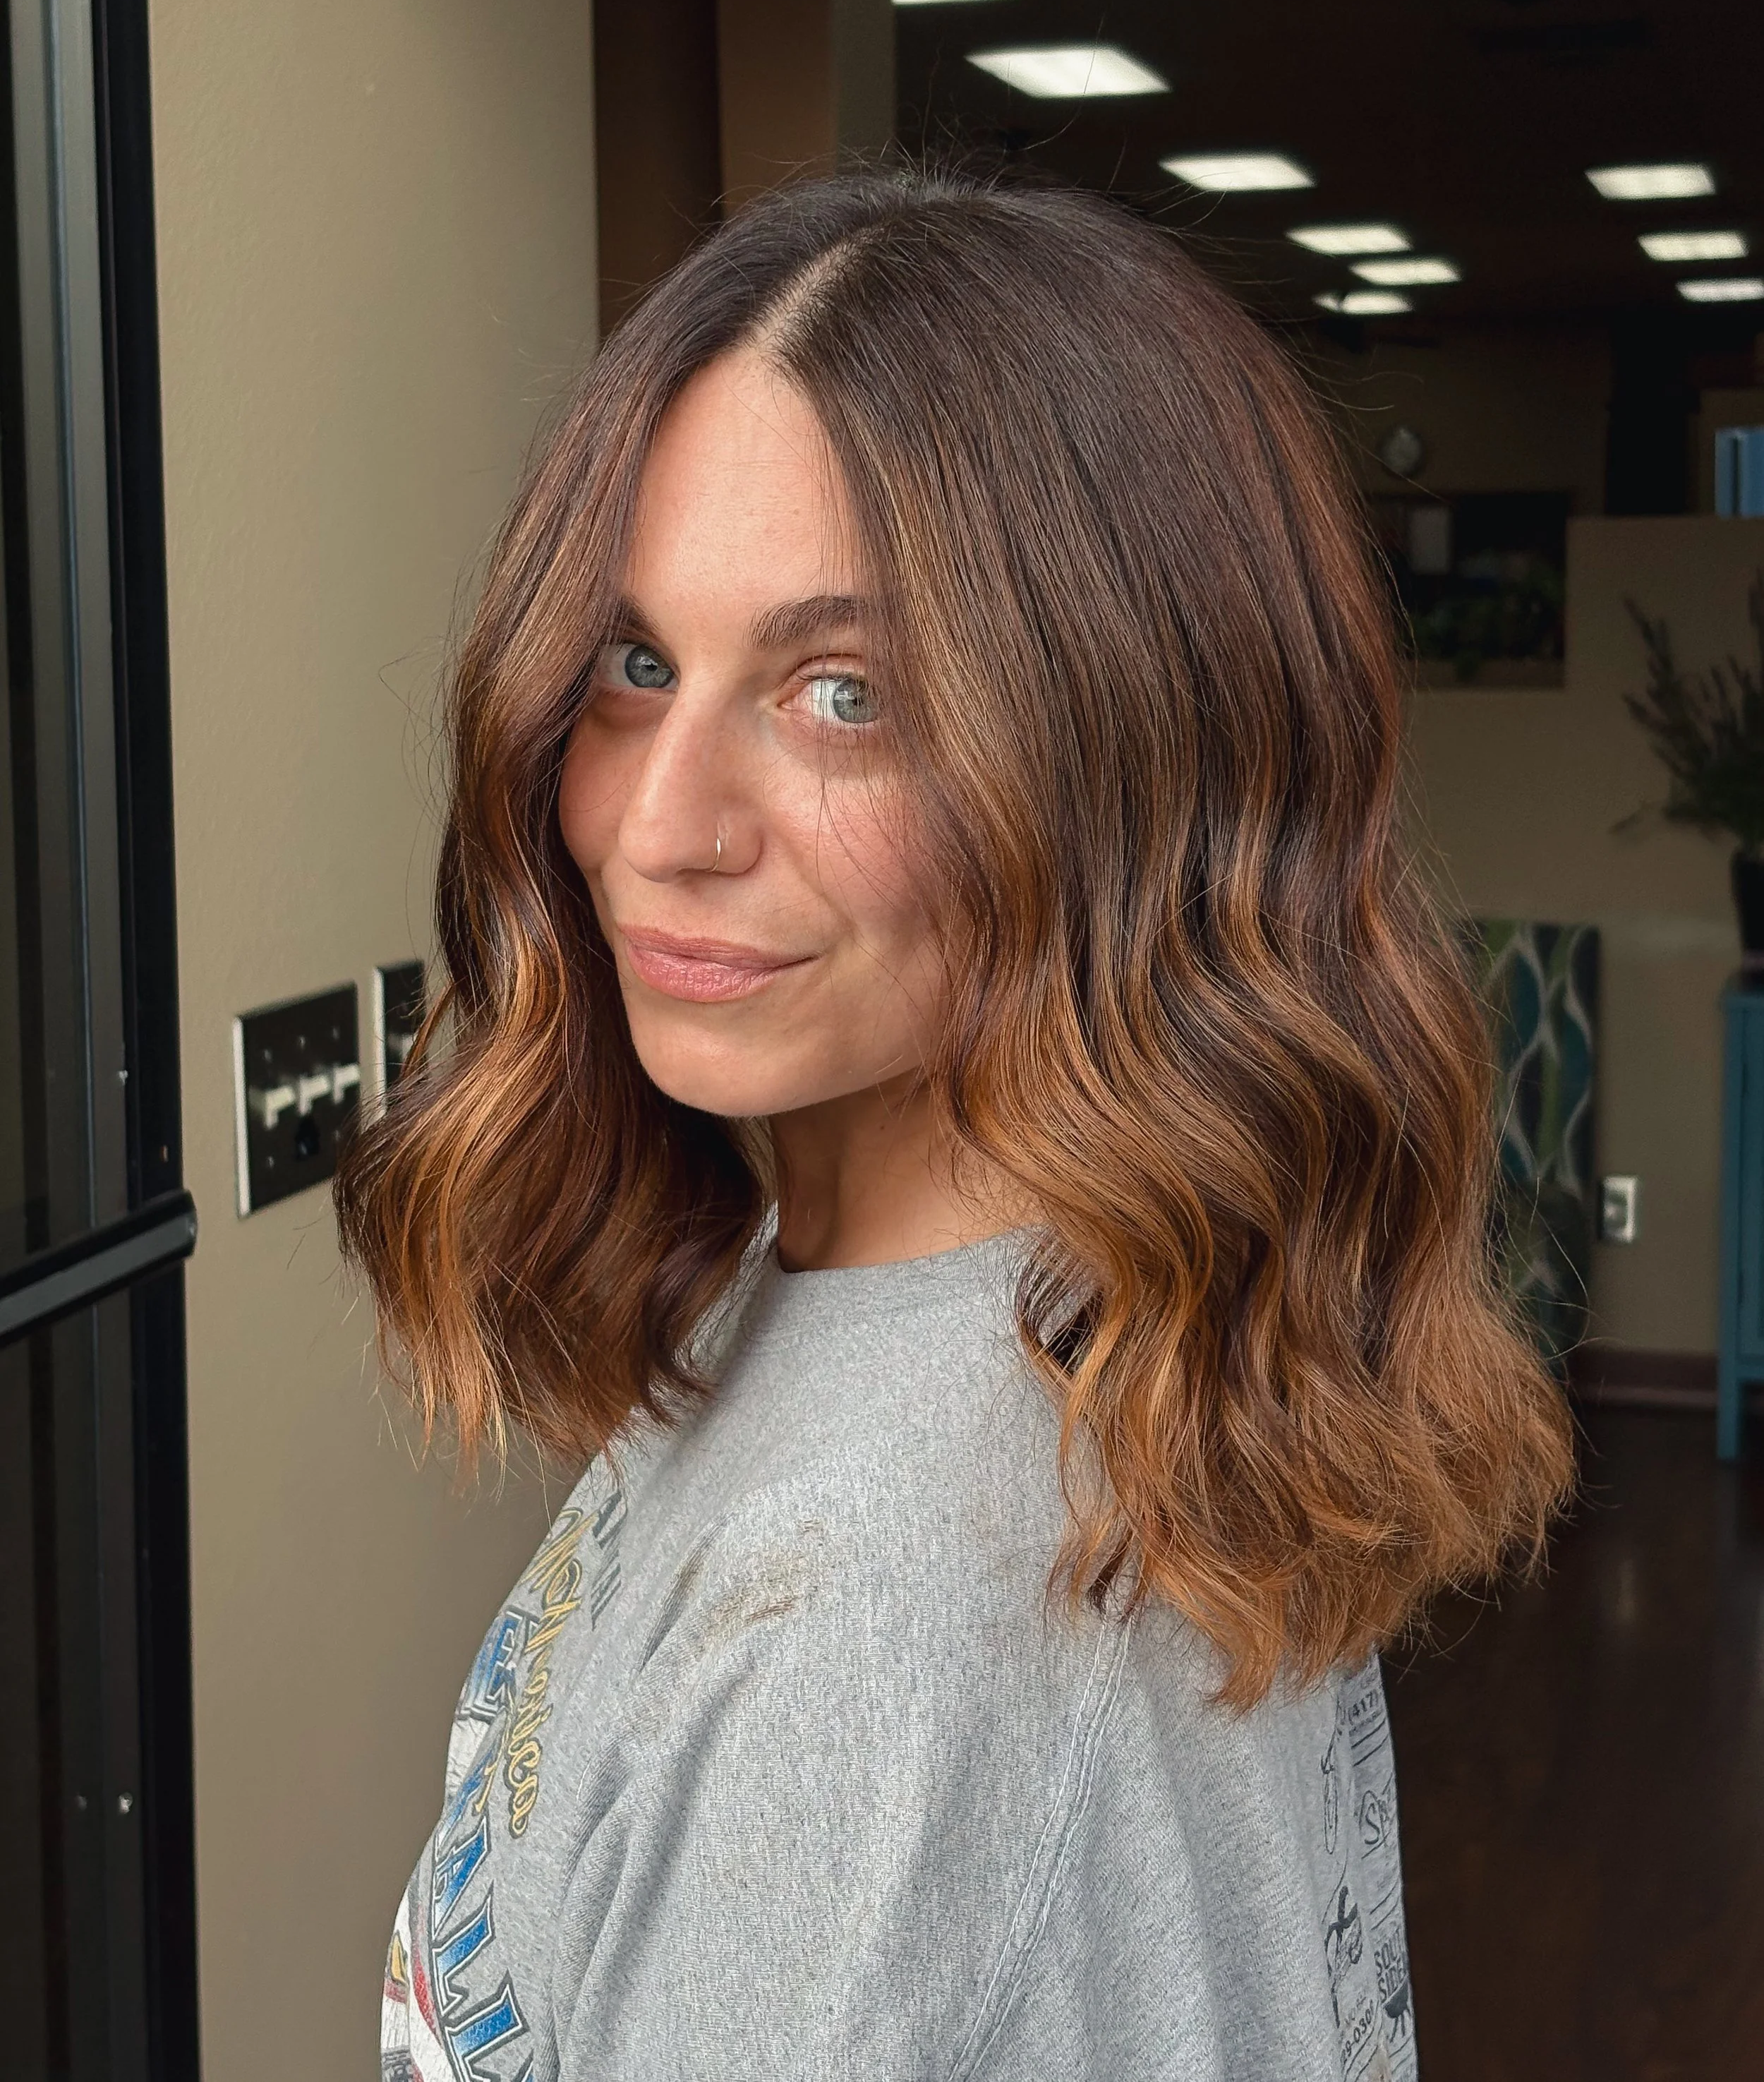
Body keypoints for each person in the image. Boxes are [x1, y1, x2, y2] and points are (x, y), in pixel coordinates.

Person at [339, 167, 1573, 2082]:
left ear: (1127, 766)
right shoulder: (1111, 1302)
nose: (661, 823)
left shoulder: (870, 1630)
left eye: (842, 694)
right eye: (637, 663)